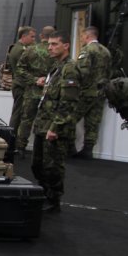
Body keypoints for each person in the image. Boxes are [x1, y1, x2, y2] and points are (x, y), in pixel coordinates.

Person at [31, 32, 80, 213]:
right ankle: (43, 193)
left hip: (55, 127)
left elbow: (68, 103)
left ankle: (53, 199)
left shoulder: (70, 69)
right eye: (49, 44)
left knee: (52, 166)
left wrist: (56, 128)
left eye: (54, 44)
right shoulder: (56, 67)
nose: (50, 48)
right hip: (43, 124)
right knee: (38, 164)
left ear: (66, 46)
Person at [74, 26, 112, 159]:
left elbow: (82, 71)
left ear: (87, 36)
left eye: (82, 36)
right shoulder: (106, 51)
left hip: (86, 92)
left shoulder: (87, 50)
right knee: (93, 121)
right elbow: (109, 72)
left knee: (71, 117)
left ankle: (68, 147)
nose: (81, 39)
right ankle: (88, 149)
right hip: (101, 92)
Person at [14, 28, 54, 154]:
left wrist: (34, 79)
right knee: (47, 121)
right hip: (50, 92)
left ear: (41, 35)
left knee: (26, 120)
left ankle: (20, 147)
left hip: (31, 91)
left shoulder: (30, 50)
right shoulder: (55, 52)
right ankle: (43, 149)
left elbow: (19, 69)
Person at [7, 26, 36, 143]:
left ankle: (12, 139)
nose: (34, 39)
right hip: (20, 85)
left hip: (19, 84)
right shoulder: (20, 50)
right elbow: (24, 68)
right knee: (18, 114)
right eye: (32, 37)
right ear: (23, 36)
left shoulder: (17, 48)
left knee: (18, 112)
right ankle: (11, 140)